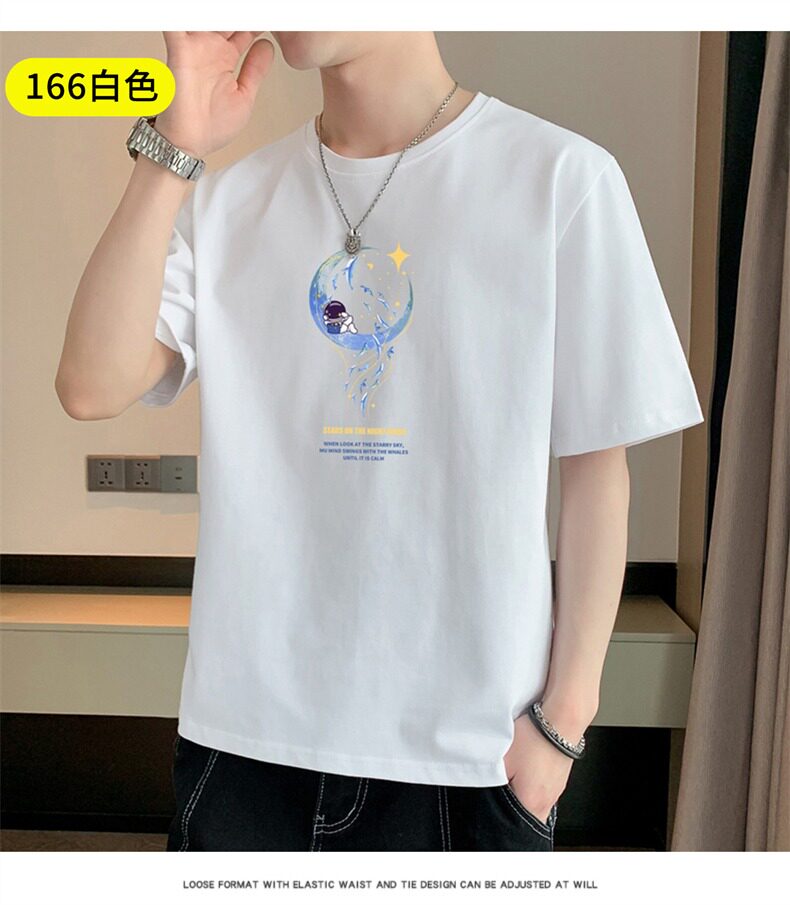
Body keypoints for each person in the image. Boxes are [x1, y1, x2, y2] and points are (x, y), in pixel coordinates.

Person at [55, 31, 704, 852]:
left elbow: (598, 468)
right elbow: (90, 384)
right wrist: (171, 150)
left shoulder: (560, 179)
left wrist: (562, 725)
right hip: (245, 752)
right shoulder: (232, 200)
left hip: (471, 763)